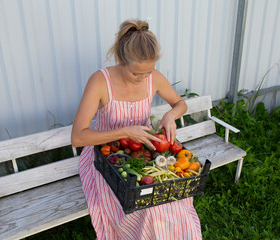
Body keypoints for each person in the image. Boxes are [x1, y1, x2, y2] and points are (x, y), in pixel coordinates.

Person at [71, 19, 202, 240]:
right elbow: (78, 137)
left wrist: (171, 115)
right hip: (107, 158)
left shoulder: (154, 78)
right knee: (145, 209)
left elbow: (181, 104)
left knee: (171, 202)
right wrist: (125, 132)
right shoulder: (100, 82)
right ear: (120, 59)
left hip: (146, 150)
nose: (143, 78)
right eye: (136, 74)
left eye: (148, 72)